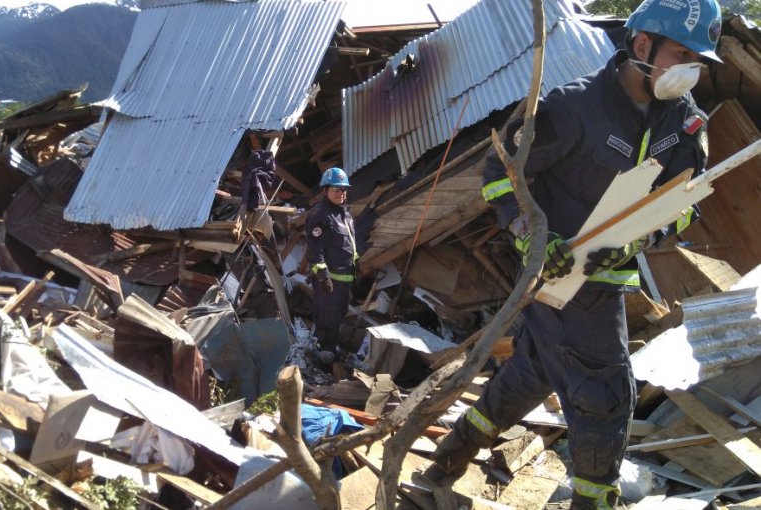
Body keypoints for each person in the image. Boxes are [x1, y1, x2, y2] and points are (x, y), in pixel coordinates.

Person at [425, 0, 722, 508]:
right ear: (643, 45)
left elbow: (686, 207)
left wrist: (641, 239)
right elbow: (502, 179)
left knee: (533, 372)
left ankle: (448, 458)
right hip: (556, 272)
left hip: (607, 277)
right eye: (683, 54)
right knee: (607, 394)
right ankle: (593, 501)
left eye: (699, 61)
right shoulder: (572, 107)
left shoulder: (687, 126)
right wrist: (532, 239)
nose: (691, 72)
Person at [305, 167, 359, 364]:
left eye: (343, 189)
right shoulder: (321, 215)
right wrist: (323, 276)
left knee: (338, 317)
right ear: (325, 190)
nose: (341, 193)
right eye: (336, 189)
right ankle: (323, 356)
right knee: (326, 319)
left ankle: (333, 349)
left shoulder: (344, 214)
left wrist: (356, 270)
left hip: (344, 280)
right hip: (329, 282)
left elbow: (349, 246)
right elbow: (314, 250)